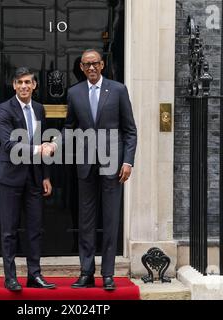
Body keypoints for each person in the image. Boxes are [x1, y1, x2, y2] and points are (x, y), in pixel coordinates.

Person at [50, 49, 137, 290]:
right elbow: (69, 127)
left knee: (110, 220)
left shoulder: (118, 90)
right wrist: (55, 143)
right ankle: (86, 272)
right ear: (80, 67)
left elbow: (130, 130)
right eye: (86, 64)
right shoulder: (74, 93)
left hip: (113, 165)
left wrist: (128, 162)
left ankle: (108, 274)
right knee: (86, 221)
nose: (91, 68)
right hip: (86, 165)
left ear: (102, 64)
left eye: (95, 64)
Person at [0, 67, 56, 291]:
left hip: (34, 178)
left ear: (34, 85)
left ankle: (34, 275)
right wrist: (40, 148)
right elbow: (9, 145)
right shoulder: (4, 110)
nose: (24, 86)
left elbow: (44, 140)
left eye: (28, 82)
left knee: (35, 229)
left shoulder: (39, 109)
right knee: (9, 231)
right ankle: (10, 277)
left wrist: (46, 176)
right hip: (10, 178)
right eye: (20, 82)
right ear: (14, 85)